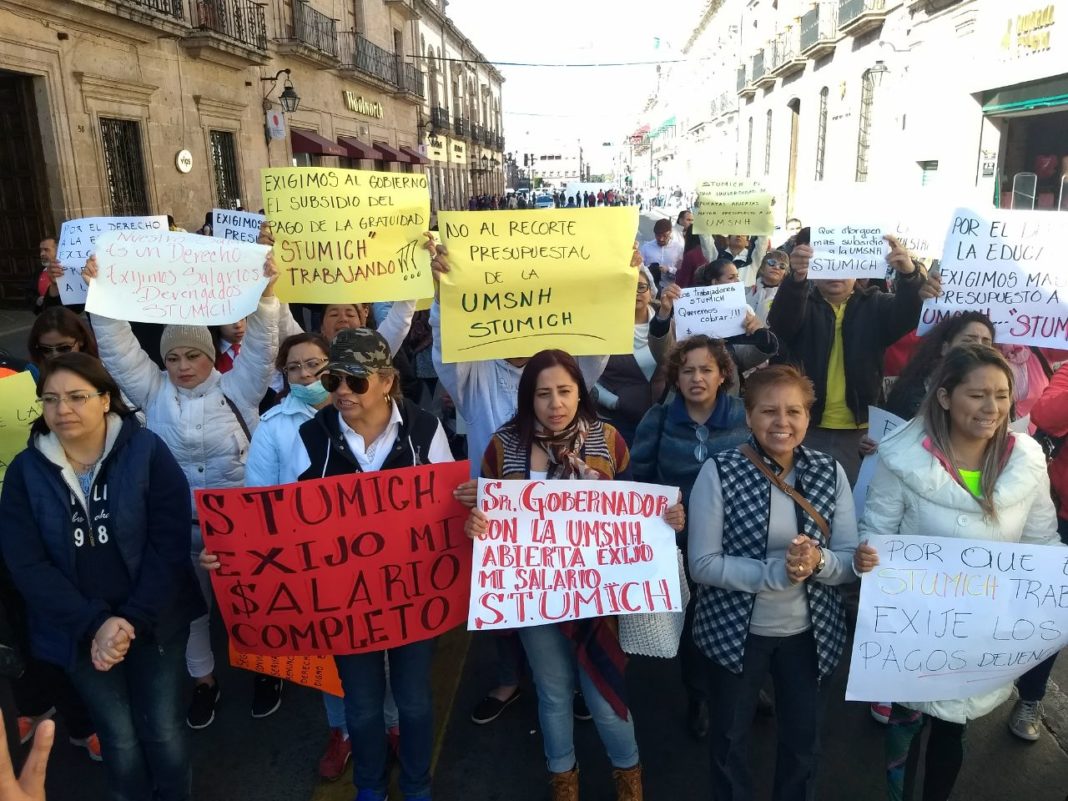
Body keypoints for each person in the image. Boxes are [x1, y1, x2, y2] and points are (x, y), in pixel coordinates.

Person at [465, 349, 685, 801]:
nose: (555, 403)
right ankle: (563, 781)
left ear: (579, 392)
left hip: (600, 598)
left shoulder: (608, 440)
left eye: (564, 391)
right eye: (543, 394)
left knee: (604, 699)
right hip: (535, 597)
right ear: (529, 399)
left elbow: (635, 509)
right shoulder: (503, 447)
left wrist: (668, 518)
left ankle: (629, 779)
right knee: (553, 694)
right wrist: (477, 525)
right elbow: (488, 518)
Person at [81, 254, 280, 729]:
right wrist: (103, 298)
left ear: (211, 356)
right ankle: (204, 684)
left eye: (192, 355)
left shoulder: (240, 388)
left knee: (249, 603)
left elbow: (261, 349)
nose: (182, 366)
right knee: (192, 613)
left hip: (238, 528)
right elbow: (120, 352)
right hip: (176, 530)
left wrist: (267, 294)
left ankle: (266, 672)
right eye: (172, 357)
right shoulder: (152, 393)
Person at [856, 345, 1061, 801]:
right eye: (978, 395)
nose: (992, 408)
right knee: (905, 728)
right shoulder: (902, 457)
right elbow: (877, 530)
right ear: (945, 397)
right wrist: (866, 557)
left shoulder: (1026, 461)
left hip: (977, 632)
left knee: (951, 730)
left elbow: (1040, 543)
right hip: (913, 626)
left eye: (1002, 395)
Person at [0, 353, 204, 801]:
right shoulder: (24, 472)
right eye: (50, 399)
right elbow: (27, 565)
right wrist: (95, 625)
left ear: (105, 399)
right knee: (119, 737)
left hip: (155, 623)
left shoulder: (148, 452)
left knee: (163, 729)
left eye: (76, 397)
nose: (62, 409)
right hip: (78, 633)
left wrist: (129, 620)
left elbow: (168, 543)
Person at [427, 238, 611, 724]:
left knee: (570, 594)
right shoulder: (474, 373)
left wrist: (620, 280)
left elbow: (595, 353)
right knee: (505, 602)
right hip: (496, 516)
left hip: (564, 515)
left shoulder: (560, 373)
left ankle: (572, 679)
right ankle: (509, 679)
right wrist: (444, 296)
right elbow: (445, 352)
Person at [290, 328, 470, 801]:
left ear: (387, 380)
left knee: (412, 702)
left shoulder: (425, 432)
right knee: (363, 706)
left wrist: (470, 508)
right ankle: (369, 784)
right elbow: (281, 519)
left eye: (355, 381)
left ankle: (415, 784)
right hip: (347, 603)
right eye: (333, 382)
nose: (343, 392)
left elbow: (448, 510)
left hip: (413, 597)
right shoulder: (310, 437)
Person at [688, 364, 861, 801]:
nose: (781, 422)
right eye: (768, 411)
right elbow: (703, 564)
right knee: (728, 741)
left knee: (803, 743)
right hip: (735, 634)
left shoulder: (830, 472)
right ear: (748, 417)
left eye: (794, 411)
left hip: (810, 635)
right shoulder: (719, 471)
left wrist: (817, 562)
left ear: (808, 416)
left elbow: (847, 561)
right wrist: (774, 573)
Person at [630, 335, 748, 740]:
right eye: (687, 370)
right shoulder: (657, 420)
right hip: (682, 544)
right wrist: (660, 516)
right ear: (676, 378)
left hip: (740, 540)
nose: (697, 377)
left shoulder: (746, 417)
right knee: (697, 623)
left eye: (706, 369)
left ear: (722, 376)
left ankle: (745, 685)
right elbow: (639, 484)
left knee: (742, 615)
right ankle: (699, 696)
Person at [767, 235, 929, 483]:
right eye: (829, 263)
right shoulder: (802, 303)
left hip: (859, 432)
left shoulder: (875, 305)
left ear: (861, 267)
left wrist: (910, 274)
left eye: (845, 264)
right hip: (805, 426)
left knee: (851, 506)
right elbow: (781, 322)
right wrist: (795, 279)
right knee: (802, 499)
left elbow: (909, 312)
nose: (837, 273)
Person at [1004, 359, 1068, 742]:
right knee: (1047, 611)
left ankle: (1029, 695)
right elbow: (1045, 412)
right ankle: (1029, 693)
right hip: (1058, 516)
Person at [592, 268, 665, 445]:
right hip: (616, 422)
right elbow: (586, 373)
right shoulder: (603, 327)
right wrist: (613, 402)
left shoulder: (667, 324)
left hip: (660, 419)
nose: (636, 293)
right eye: (628, 287)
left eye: (641, 287)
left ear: (650, 290)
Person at [884, 312, 994, 421]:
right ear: (945, 348)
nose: (979, 348)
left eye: (986, 343)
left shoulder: (999, 389)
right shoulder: (911, 392)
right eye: (968, 341)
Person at [745, 249, 788, 324]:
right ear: (762, 268)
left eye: (782, 266)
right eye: (772, 263)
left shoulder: (786, 298)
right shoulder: (745, 291)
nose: (776, 267)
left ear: (785, 273)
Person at [639, 220, 683, 288]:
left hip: (671, 288)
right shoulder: (646, 247)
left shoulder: (679, 248)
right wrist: (649, 269)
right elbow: (640, 268)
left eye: (665, 236)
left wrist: (669, 269)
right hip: (651, 288)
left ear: (670, 232)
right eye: (658, 236)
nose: (661, 239)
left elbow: (682, 270)